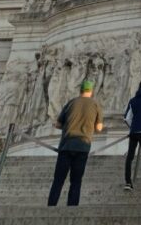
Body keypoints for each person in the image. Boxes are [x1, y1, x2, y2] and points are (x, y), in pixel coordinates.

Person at [47, 79, 103, 207]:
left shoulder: (71, 103)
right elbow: (99, 128)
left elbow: (58, 124)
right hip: (83, 146)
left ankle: (51, 206)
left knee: (58, 180)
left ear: (80, 90)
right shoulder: (95, 105)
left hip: (66, 145)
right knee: (76, 181)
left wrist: (70, 126)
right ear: (92, 91)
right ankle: (72, 208)